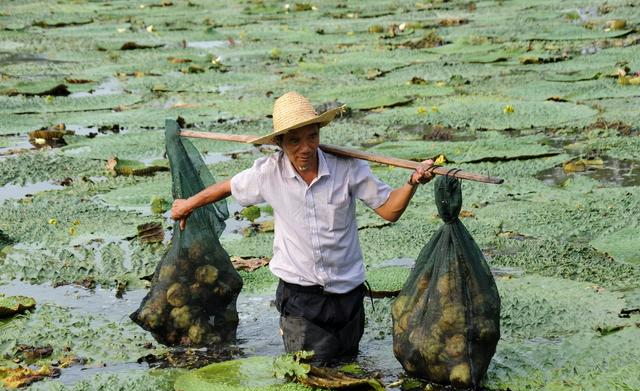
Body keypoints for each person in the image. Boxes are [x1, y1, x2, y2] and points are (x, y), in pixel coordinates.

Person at [171, 91, 434, 363]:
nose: (305, 147)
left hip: (349, 296)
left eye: (312, 137)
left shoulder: (348, 168)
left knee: (351, 370)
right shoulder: (268, 173)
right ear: (280, 142)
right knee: (309, 374)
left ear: (319, 133)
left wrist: (412, 182)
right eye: (294, 140)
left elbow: (390, 210)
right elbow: (228, 187)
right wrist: (189, 204)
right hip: (300, 299)